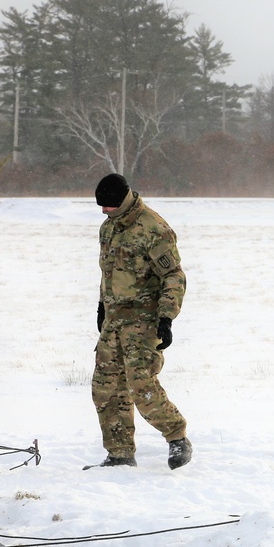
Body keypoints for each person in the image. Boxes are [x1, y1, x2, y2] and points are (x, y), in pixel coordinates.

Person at [90, 173, 192, 470]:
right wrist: (101, 306)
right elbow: (107, 272)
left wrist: (166, 317)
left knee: (141, 385)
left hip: (144, 320)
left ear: (122, 200)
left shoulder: (153, 228)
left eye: (108, 206)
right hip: (114, 320)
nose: (103, 211)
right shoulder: (108, 229)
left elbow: (174, 276)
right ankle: (119, 454)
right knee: (106, 388)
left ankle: (177, 438)